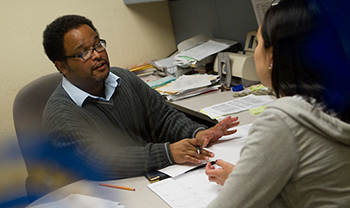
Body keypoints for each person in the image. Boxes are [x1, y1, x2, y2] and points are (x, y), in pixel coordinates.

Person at [42, 14, 239, 181]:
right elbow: (99, 163)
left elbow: (163, 118)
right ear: (62, 66)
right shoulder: (62, 115)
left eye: (97, 45)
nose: (97, 55)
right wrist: (167, 153)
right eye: (84, 53)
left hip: (155, 179)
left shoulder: (123, 78)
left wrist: (197, 134)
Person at [205, 0, 350, 207]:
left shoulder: (282, 120)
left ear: (272, 57)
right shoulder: (337, 101)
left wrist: (237, 189)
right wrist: (244, 180)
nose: (255, 52)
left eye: (258, 43)